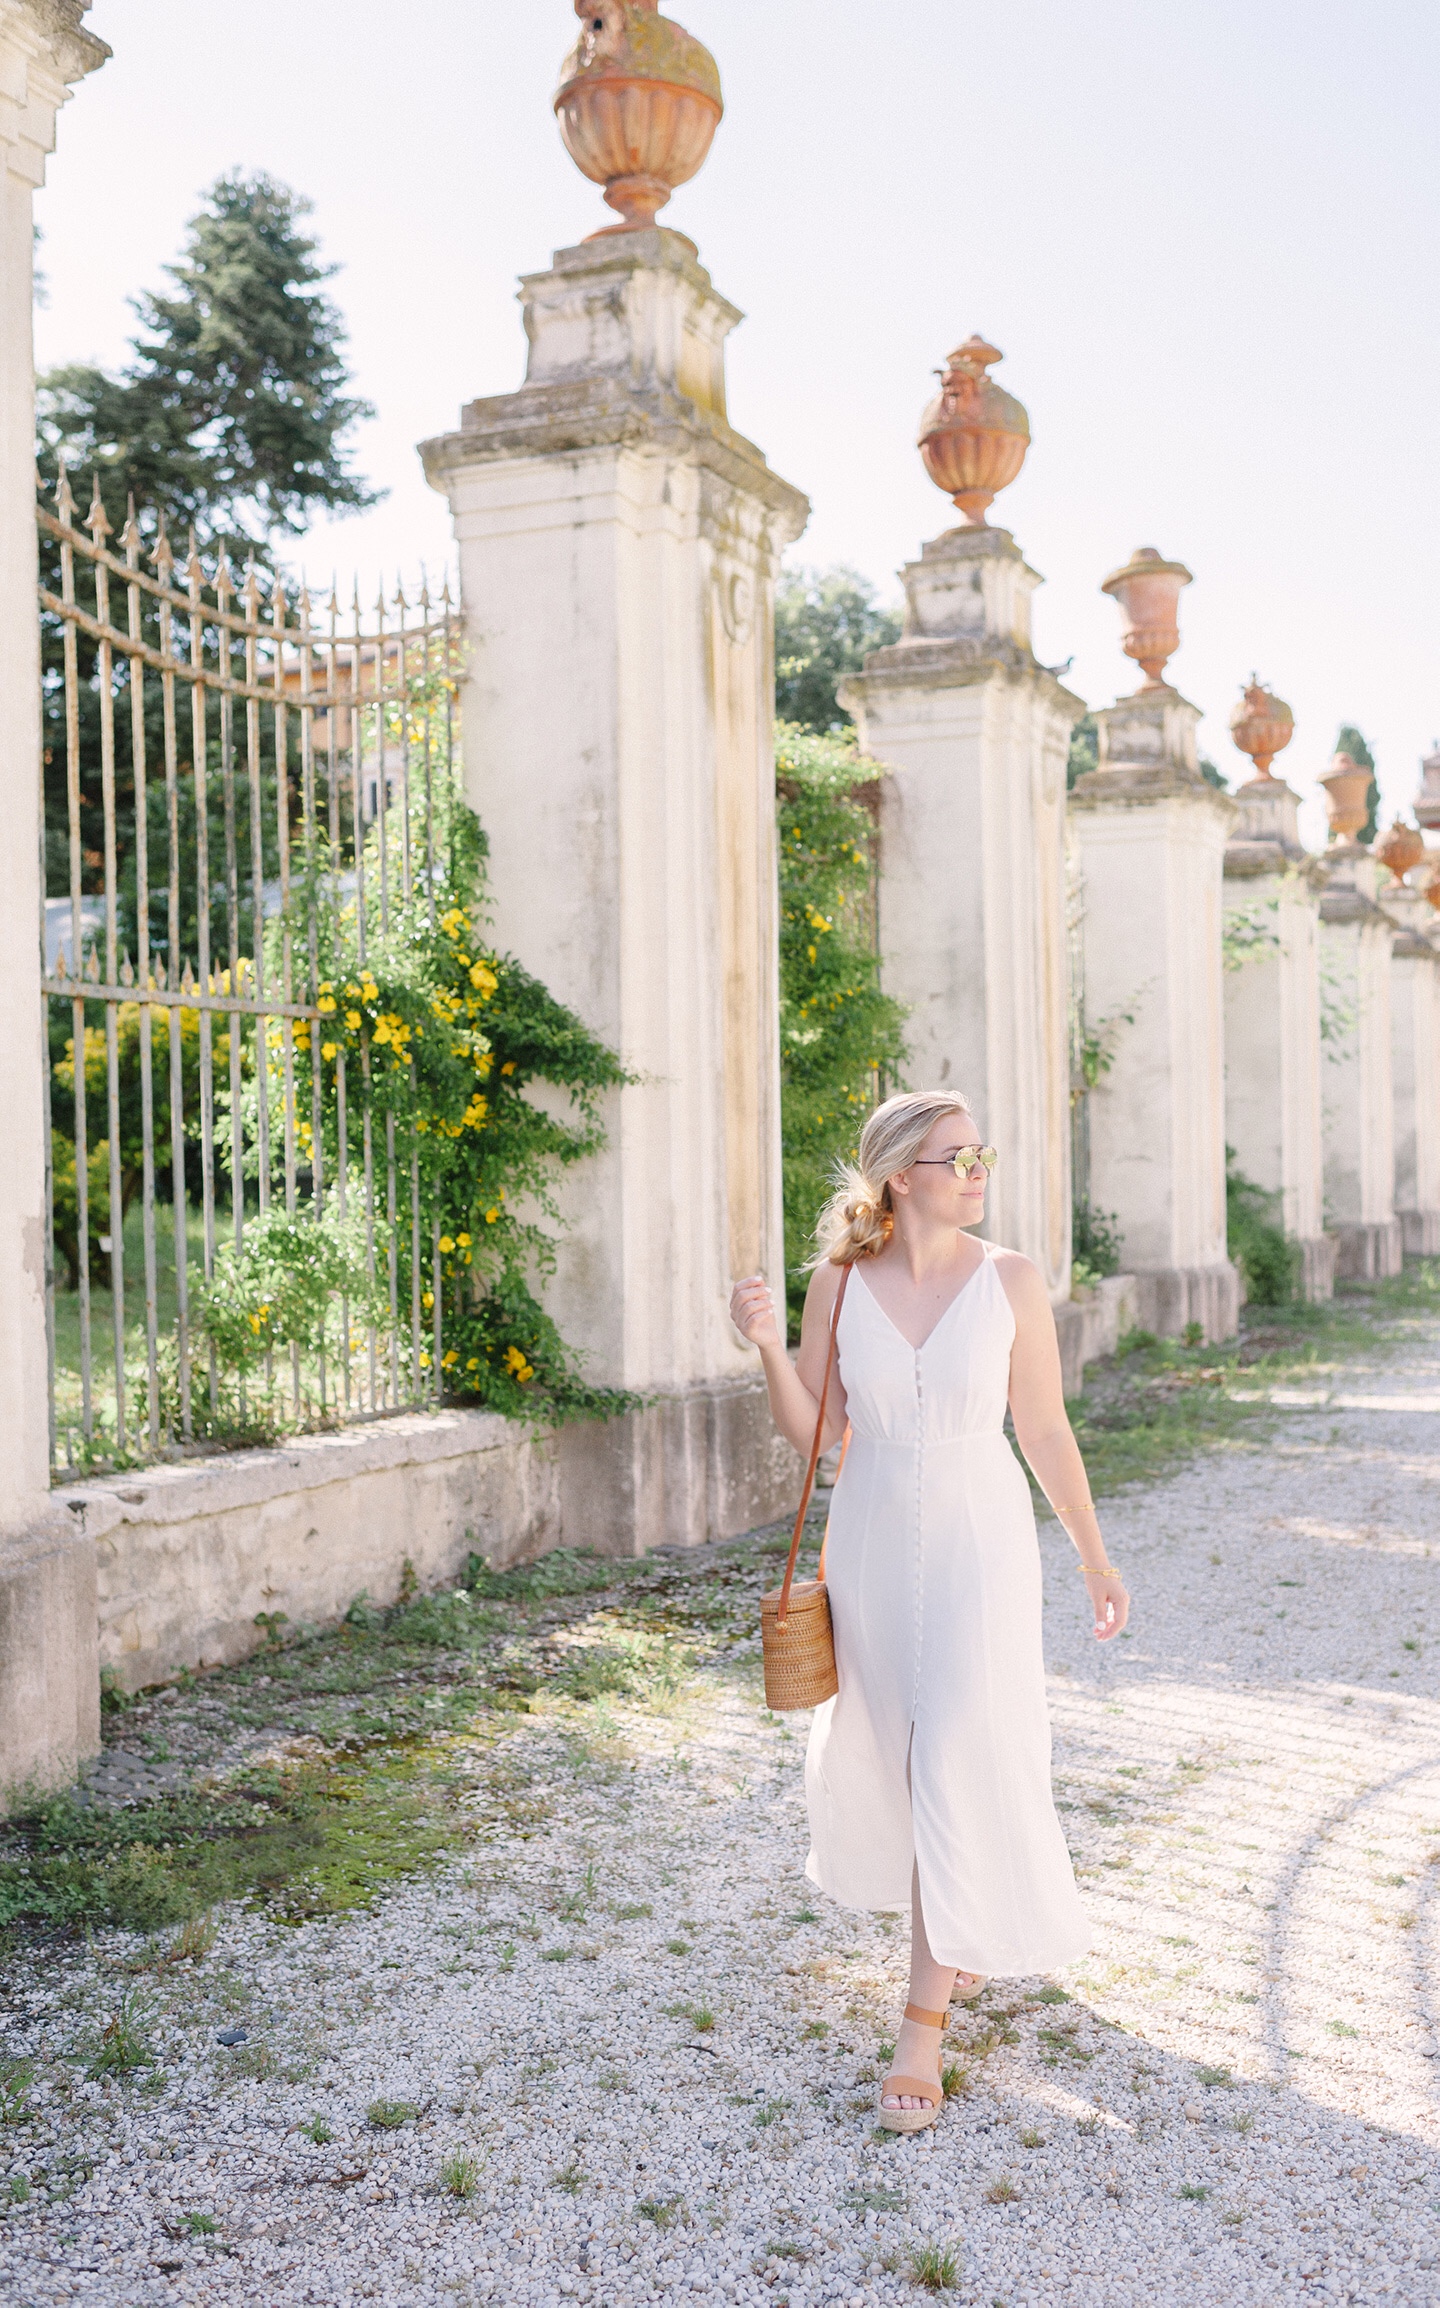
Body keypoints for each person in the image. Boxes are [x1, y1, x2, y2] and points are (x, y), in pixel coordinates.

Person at [729, 1089, 1128, 2134]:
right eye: (956, 1156)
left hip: (978, 1541)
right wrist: (768, 1346)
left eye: (980, 1154)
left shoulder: (1010, 1280)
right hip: (867, 1534)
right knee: (894, 1755)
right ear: (901, 1175)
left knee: (954, 1747)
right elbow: (817, 1429)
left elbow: (1042, 1428)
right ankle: (955, 1929)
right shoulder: (840, 1282)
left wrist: (1093, 1556)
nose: (976, 1169)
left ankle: (921, 2026)